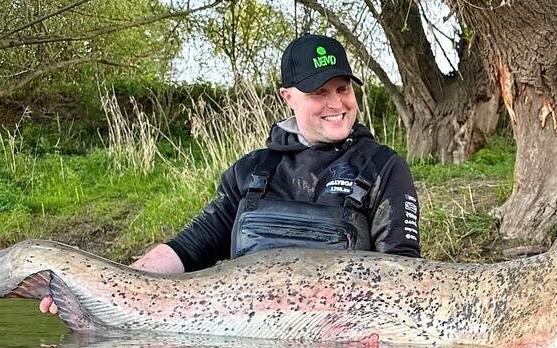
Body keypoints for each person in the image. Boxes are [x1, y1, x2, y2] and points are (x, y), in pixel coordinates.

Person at [41, 34, 420, 314]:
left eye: (343, 88)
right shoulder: (251, 171)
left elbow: (405, 275)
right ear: (287, 97)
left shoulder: (384, 167)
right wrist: (99, 289)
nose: (336, 103)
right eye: (319, 93)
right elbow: (187, 250)